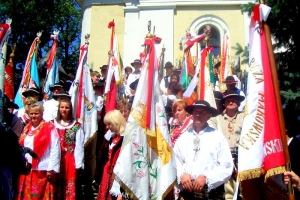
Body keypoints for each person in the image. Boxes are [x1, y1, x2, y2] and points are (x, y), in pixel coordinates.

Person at [173, 100, 233, 200]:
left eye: (202, 112)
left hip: (211, 193)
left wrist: (207, 178)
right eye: (196, 111)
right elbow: (176, 161)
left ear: (209, 115)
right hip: (188, 192)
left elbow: (227, 166)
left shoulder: (217, 137)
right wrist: (182, 175)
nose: (198, 115)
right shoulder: (183, 137)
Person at [17, 103, 61, 200]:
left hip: (42, 170)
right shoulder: (26, 128)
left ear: (42, 113)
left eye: (36, 113)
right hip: (27, 170)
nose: (33, 116)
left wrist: (51, 168)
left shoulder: (50, 127)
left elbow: (55, 148)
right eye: (31, 113)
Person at [53, 98, 85, 200]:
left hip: (69, 159)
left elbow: (79, 146)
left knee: (69, 183)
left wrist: (79, 163)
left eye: (67, 107)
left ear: (70, 109)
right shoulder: (52, 123)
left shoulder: (76, 126)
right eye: (62, 107)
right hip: (55, 158)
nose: (64, 110)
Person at [219, 90, 245, 200]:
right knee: (228, 191)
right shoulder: (217, 118)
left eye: (234, 100)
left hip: (242, 156)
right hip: (224, 156)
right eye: (228, 100)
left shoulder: (245, 117)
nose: (231, 102)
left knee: (243, 189)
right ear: (224, 103)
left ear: (239, 103)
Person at [97, 110, 126, 200]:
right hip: (108, 172)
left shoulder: (125, 139)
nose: (107, 126)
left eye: (109, 124)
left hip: (118, 174)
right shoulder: (112, 137)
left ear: (116, 123)